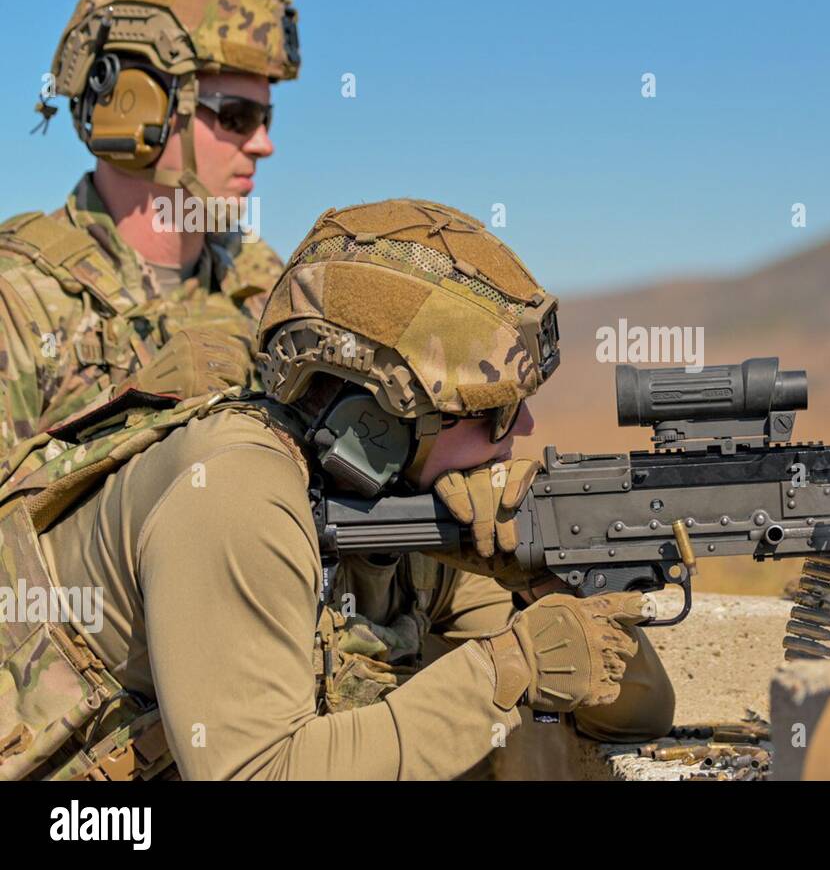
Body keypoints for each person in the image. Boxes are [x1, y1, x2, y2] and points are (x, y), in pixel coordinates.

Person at [0, 198, 673, 781]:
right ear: (376, 422)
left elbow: (638, 711)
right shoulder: (235, 490)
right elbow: (258, 772)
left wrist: (544, 579)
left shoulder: (404, 511)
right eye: (492, 409)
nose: (523, 425)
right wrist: (509, 669)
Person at [0, 0, 299, 448]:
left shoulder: (265, 289)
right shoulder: (20, 300)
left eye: (267, 118)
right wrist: (128, 424)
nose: (263, 144)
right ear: (133, 105)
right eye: (238, 117)